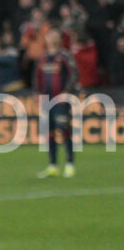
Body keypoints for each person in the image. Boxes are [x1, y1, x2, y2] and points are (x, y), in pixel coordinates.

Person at [34, 29, 79, 178]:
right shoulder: (43, 58)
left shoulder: (64, 56)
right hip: (46, 100)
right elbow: (38, 77)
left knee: (64, 130)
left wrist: (67, 92)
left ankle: (70, 164)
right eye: (49, 36)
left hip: (61, 100)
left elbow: (74, 74)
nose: (51, 38)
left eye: (54, 36)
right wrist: (37, 94)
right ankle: (52, 165)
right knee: (50, 132)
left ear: (59, 39)